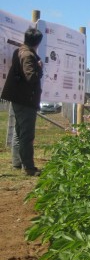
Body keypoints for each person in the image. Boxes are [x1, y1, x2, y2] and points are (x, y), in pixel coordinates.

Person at [1, 27, 44, 176]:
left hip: (18, 98)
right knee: (26, 134)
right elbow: (31, 77)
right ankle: (29, 168)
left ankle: (17, 162)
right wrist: (39, 69)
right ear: (37, 42)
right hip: (26, 100)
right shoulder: (28, 55)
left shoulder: (19, 51)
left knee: (19, 132)